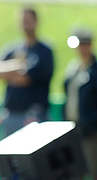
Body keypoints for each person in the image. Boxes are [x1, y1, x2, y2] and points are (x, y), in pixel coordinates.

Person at [64, 28, 97, 180]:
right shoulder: (73, 69)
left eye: (85, 44)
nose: (82, 49)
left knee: (94, 171)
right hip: (73, 130)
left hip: (91, 132)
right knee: (75, 172)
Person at [0, 7, 54, 137]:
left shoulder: (44, 51)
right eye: (23, 21)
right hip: (11, 114)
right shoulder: (12, 49)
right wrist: (19, 66)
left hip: (34, 115)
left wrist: (11, 74)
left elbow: (26, 78)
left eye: (28, 20)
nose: (25, 25)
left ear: (36, 22)